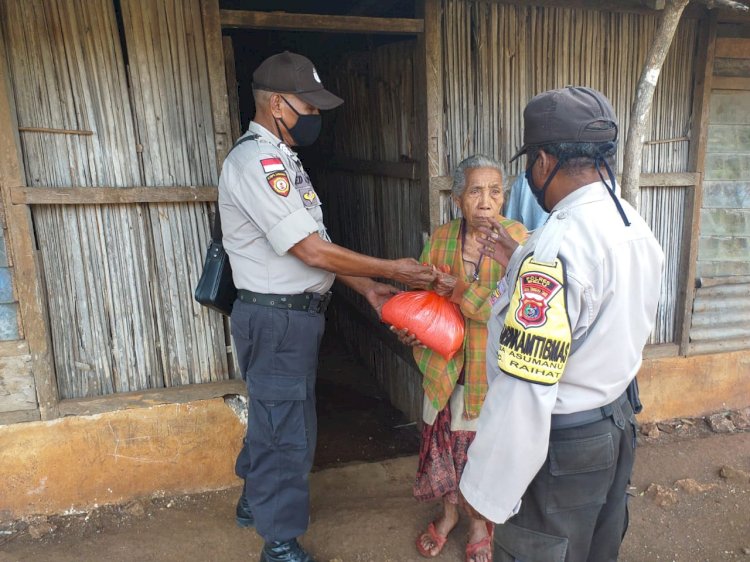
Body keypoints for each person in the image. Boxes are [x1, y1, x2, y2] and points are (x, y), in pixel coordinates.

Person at [218, 51, 435, 562]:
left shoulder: (286, 159)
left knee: (278, 417)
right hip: (275, 319)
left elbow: (314, 246)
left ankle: (255, 499)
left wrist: (366, 289)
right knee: (285, 432)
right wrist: (393, 270)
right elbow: (311, 251)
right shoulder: (256, 161)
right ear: (276, 103)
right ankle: (279, 542)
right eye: (307, 107)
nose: (314, 118)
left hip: (293, 319)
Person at [458, 86, 665, 562]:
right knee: (596, 549)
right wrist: (522, 262)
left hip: (565, 445)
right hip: (615, 425)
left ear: (545, 162)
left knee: (544, 550)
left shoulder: (556, 246)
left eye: (530, 163)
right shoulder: (633, 224)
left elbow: (526, 384)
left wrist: (485, 487)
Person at [393, 155, 527, 562]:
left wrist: (459, 292)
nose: (486, 202)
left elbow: (511, 309)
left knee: (480, 454)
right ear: (457, 199)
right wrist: (410, 327)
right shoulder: (441, 239)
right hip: (444, 367)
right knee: (446, 449)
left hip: (491, 372)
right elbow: (425, 302)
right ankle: (449, 516)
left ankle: (479, 525)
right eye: (475, 191)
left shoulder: (519, 242)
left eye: (495, 191)